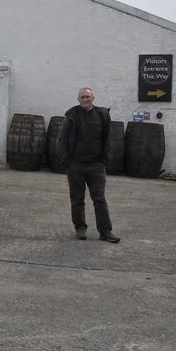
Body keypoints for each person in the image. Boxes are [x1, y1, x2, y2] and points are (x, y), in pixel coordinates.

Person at [58, 87, 120, 243]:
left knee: (99, 199)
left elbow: (107, 138)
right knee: (77, 199)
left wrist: (104, 159)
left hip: (96, 166)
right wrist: (67, 162)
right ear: (78, 100)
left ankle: (105, 231)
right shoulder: (72, 116)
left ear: (93, 98)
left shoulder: (102, 115)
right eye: (82, 97)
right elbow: (62, 140)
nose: (85, 99)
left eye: (88, 96)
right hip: (75, 165)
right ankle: (80, 228)